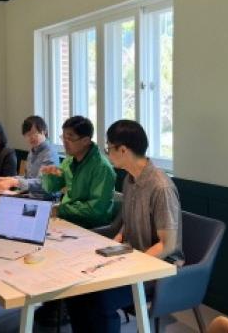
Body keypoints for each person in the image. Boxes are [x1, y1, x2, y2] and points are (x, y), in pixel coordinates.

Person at [65, 119, 184, 333]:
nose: (107, 153)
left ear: (123, 150)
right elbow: (128, 223)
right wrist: (117, 242)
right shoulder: (130, 180)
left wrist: (131, 265)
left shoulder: (161, 187)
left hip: (158, 269)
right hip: (131, 256)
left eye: (108, 148)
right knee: (75, 289)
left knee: (100, 298)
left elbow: (167, 245)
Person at [40, 115, 115, 229]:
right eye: (63, 137)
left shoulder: (102, 167)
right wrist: (49, 175)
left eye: (70, 138)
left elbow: (95, 209)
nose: (65, 143)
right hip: (69, 218)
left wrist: (61, 210)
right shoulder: (70, 160)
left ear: (86, 141)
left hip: (91, 226)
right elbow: (51, 188)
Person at [0, 115, 59, 194]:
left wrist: (15, 182)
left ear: (43, 131)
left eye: (33, 133)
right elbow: (27, 178)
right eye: (27, 135)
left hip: (45, 199)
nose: (30, 137)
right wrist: (9, 179)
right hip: (30, 195)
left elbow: (44, 183)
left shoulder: (50, 152)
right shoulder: (32, 151)